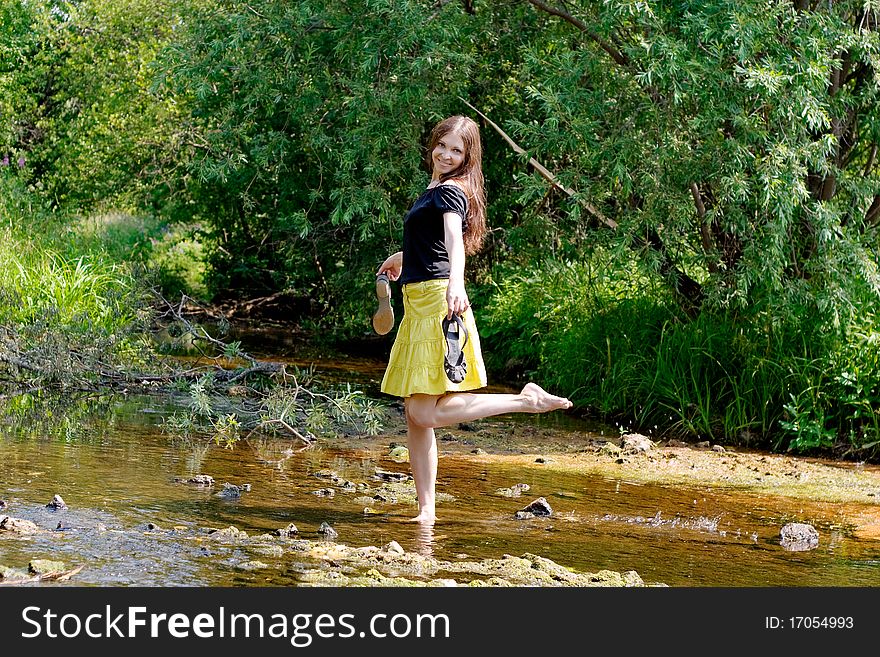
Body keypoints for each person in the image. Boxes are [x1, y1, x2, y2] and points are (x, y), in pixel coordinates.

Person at [376, 115, 572, 524]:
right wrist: (403, 259)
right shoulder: (432, 189)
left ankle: (525, 400)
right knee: (416, 414)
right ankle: (426, 511)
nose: (447, 155)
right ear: (433, 144)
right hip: (418, 303)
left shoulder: (450, 192)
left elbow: (452, 240)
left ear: (468, 157)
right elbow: (430, 243)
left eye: (457, 150)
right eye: (443, 145)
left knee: (426, 412)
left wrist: (456, 282)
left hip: (437, 302)